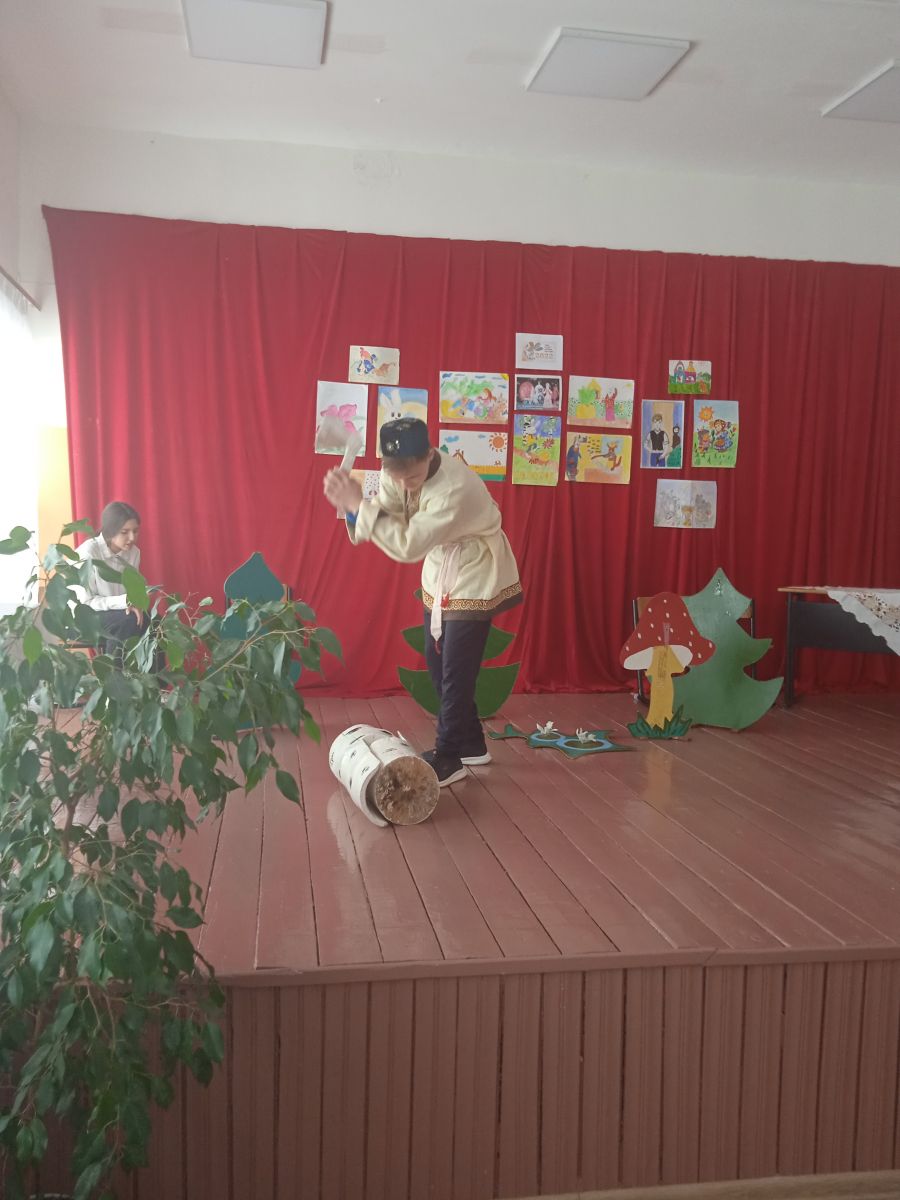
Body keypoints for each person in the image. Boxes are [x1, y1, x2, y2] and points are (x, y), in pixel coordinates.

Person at [323, 418, 523, 787]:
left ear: (429, 455)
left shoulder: (453, 487)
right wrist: (353, 505)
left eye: (412, 477)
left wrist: (358, 504)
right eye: (396, 477)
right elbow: (388, 512)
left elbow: (409, 544)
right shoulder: (397, 474)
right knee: (437, 661)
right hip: (440, 567)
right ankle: (471, 743)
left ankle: (448, 755)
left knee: (456, 668)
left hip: (474, 569)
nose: (404, 485)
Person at [77, 501, 149, 656]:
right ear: (110, 531)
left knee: (153, 621)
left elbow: (133, 591)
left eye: (135, 531)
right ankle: (114, 671)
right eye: (124, 532)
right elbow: (85, 603)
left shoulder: (134, 553)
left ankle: (157, 673)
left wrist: (135, 601)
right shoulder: (89, 552)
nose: (132, 537)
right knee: (128, 621)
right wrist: (125, 601)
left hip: (118, 613)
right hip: (82, 618)